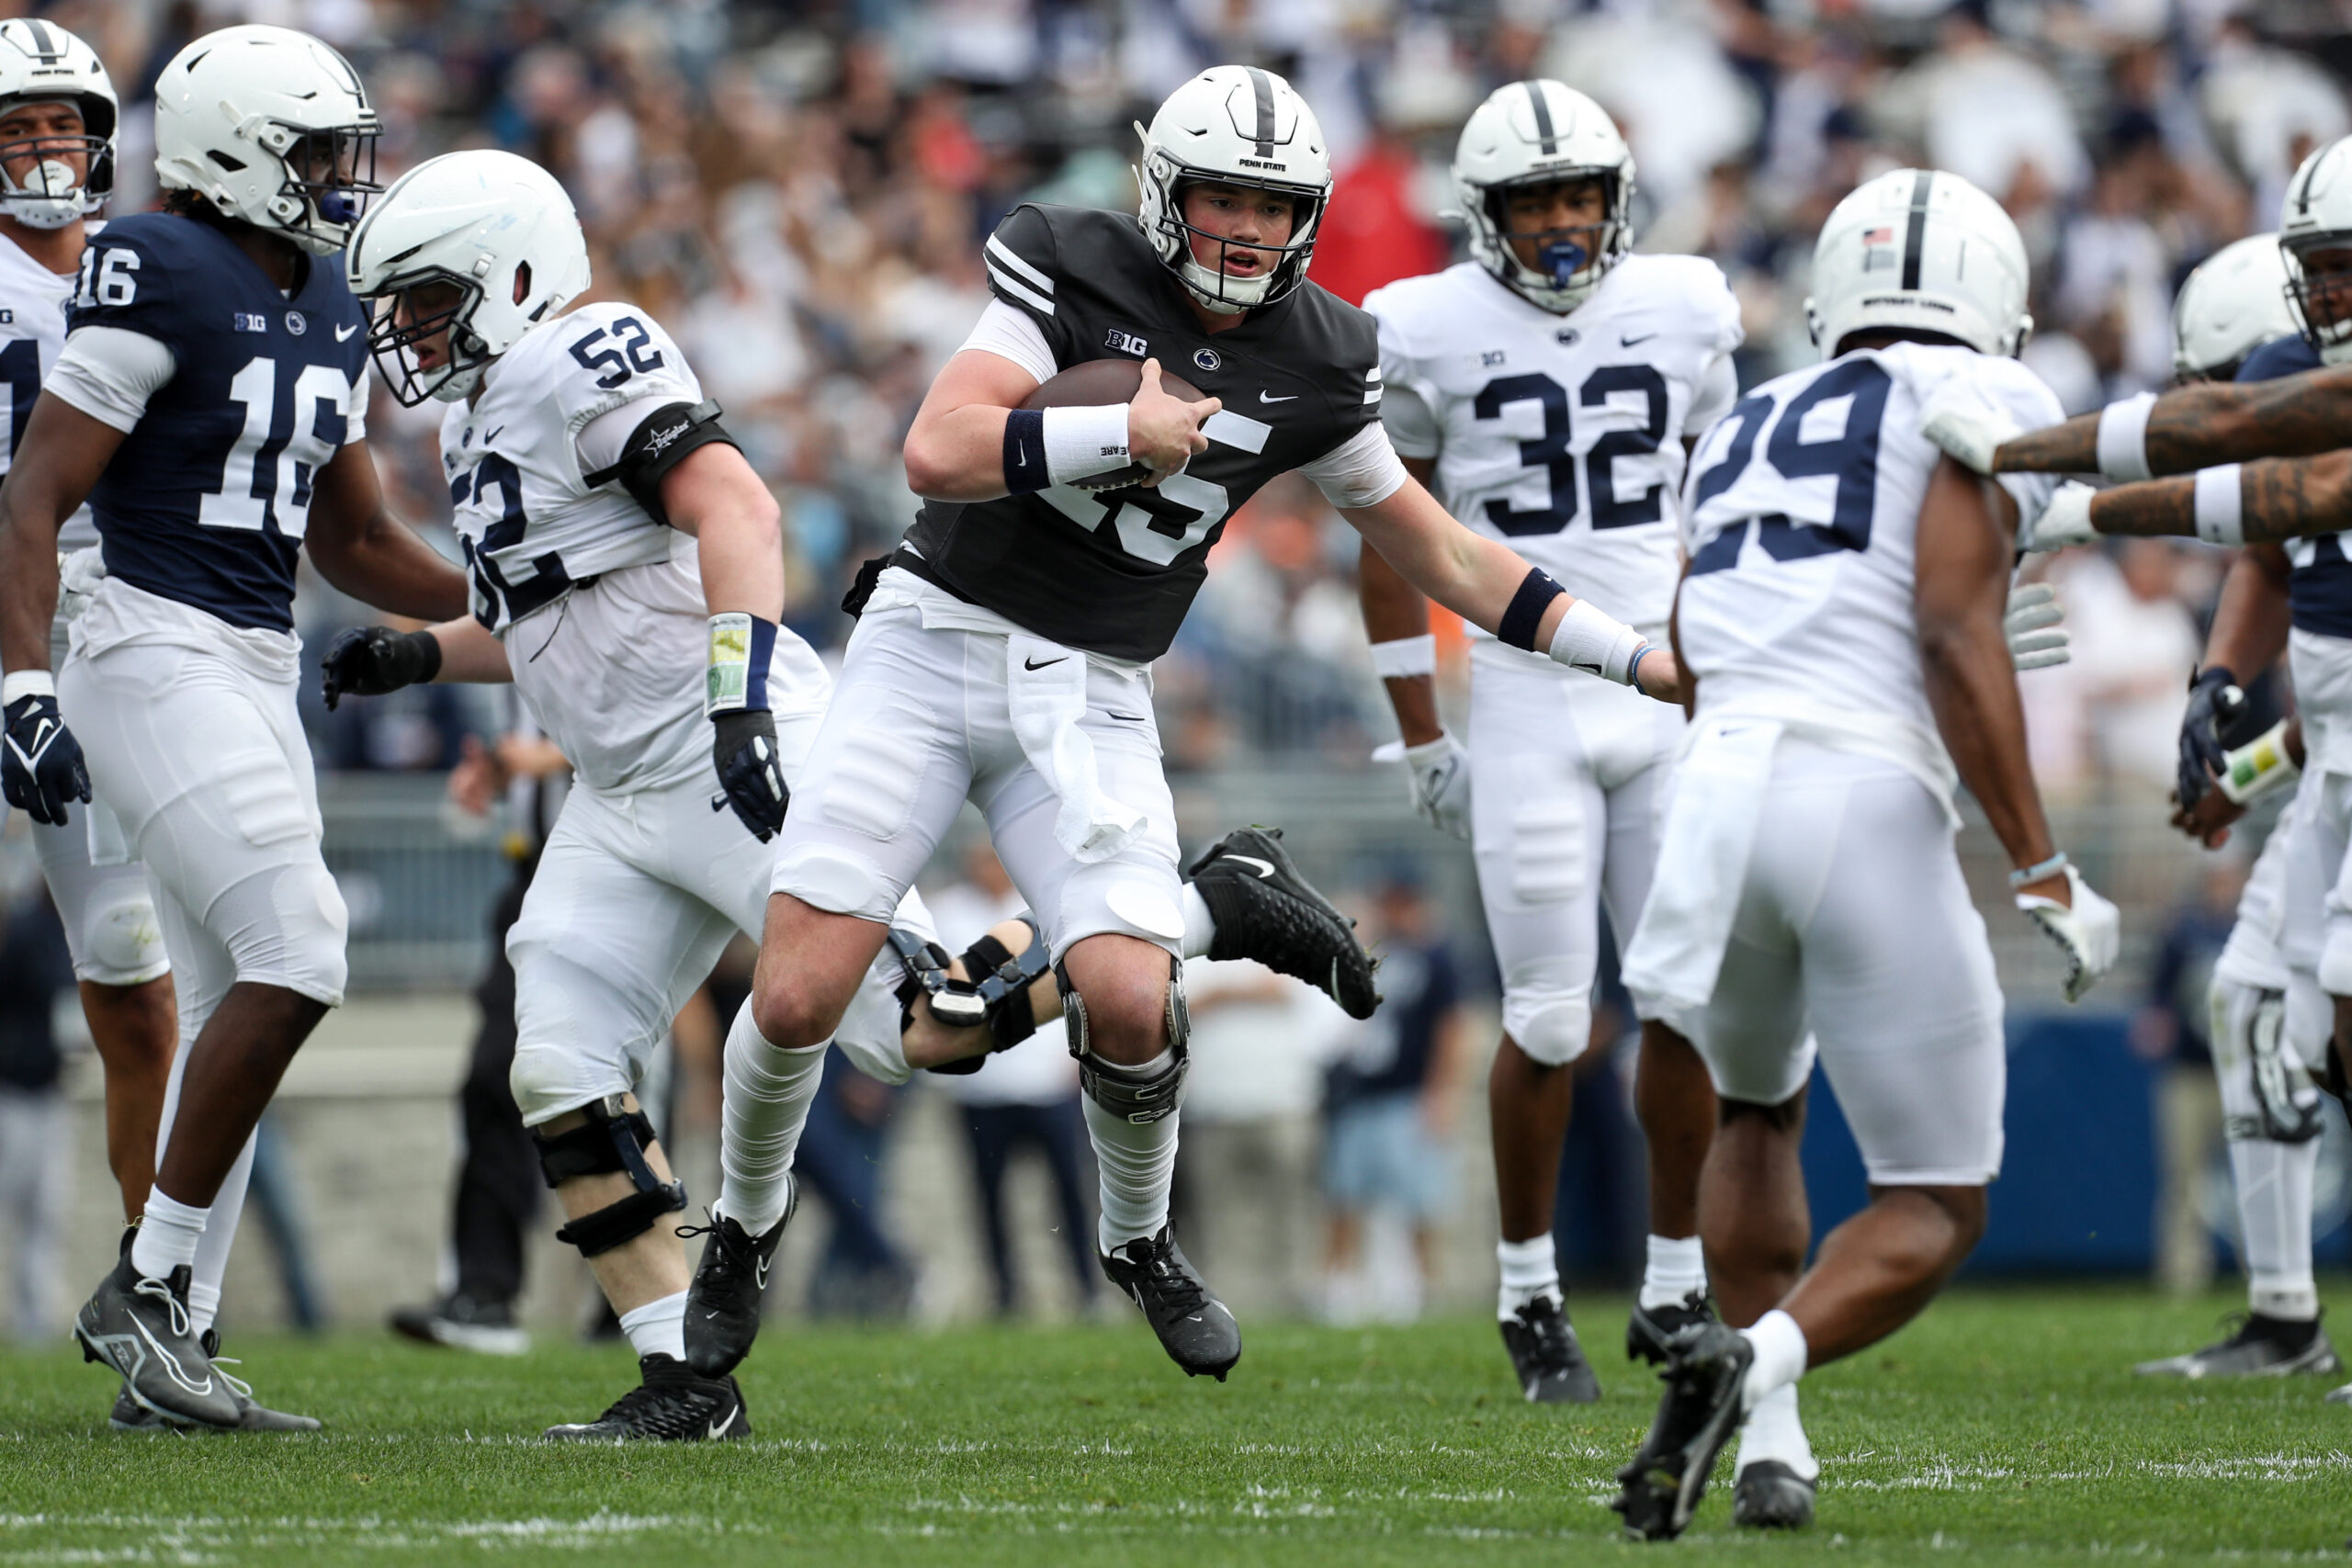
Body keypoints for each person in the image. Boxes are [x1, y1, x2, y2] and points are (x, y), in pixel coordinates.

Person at [328, 148, 1368, 1437]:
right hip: (616, 787)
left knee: (913, 1029)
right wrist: (420, 651)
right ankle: (683, 1379)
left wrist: (736, 690)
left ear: (515, 271)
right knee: (558, 1061)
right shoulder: (477, 414)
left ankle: (1206, 904)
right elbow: (553, 618)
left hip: (726, 742)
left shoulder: (586, 346)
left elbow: (739, 510)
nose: (410, 328)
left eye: (429, 296)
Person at [718, 62, 1688, 1388]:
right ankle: (738, 1233)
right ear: (1166, 194)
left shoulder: (1326, 354)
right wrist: (1118, 423)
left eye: (1273, 205)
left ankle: (1138, 1240)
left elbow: (1449, 556)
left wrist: (1630, 655)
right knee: (799, 990)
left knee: (1125, 992)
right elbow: (938, 450)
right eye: (1222, 197)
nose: (1245, 229)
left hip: (1094, 685)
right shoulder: (1066, 258)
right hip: (931, 643)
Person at [1611, 168, 2120, 1539]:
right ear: (1997, 301)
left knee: (1758, 1108)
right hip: (1861, 788)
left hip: (1715, 786)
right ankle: (1754, 1362)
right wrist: (2043, 862)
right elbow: (1956, 626)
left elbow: (1701, 632)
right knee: (1936, 1200)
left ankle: (1775, 1447)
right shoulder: (1998, 392)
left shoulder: (1748, 419)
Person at [0, 24, 461, 1433]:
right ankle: (146, 1289)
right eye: (316, 152)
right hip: (141, 643)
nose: (338, 178)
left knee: (213, 1003)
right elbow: (33, 497)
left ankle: (176, 1333)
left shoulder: (328, 292)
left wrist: (522, 594)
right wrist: (21, 686)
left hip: (254, 657)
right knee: (298, 945)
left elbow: (362, 534)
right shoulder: (154, 256)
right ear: (237, 152)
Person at [1355, 79, 1738, 1407]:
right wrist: (1418, 731)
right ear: (1487, 215)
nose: (1564, 222)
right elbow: (1386, 536)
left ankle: (1678, 1275)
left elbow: (1717, 501)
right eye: (1537, 200)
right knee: (1550, 1015)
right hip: (1523, 690)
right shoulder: (1419, 327)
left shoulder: (1690, 303)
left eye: (1581, 195)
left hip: (1661, 683)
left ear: (1618, 199)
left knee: (1686, 995)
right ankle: (1527, 1291)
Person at [0, 17, 180, 1372]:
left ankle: (158, 1295)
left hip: (102, 627)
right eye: (14, 129)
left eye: (59, 124)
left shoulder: (150, 269)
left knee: (130, 984)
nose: (43, 149)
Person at [388, 718, 568, 1356]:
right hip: (535, 879)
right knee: (501, 1078)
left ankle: (648, 1306)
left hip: (610, 879)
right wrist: (506, 769)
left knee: (608, 1089)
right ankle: (484, 1290)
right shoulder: (524, 628)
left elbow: (665, 705)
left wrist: (549, 755)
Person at [1319, 869, 1467, 1323]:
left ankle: (1420, 1287)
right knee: (1346, 1195)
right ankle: (1339, 1287)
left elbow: (1452, 1029)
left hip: (1406, 1094)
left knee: (1417, 1199)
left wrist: (1441, 1093)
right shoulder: (1367, 952)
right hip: (1356, 1095)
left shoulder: (1437, 957)